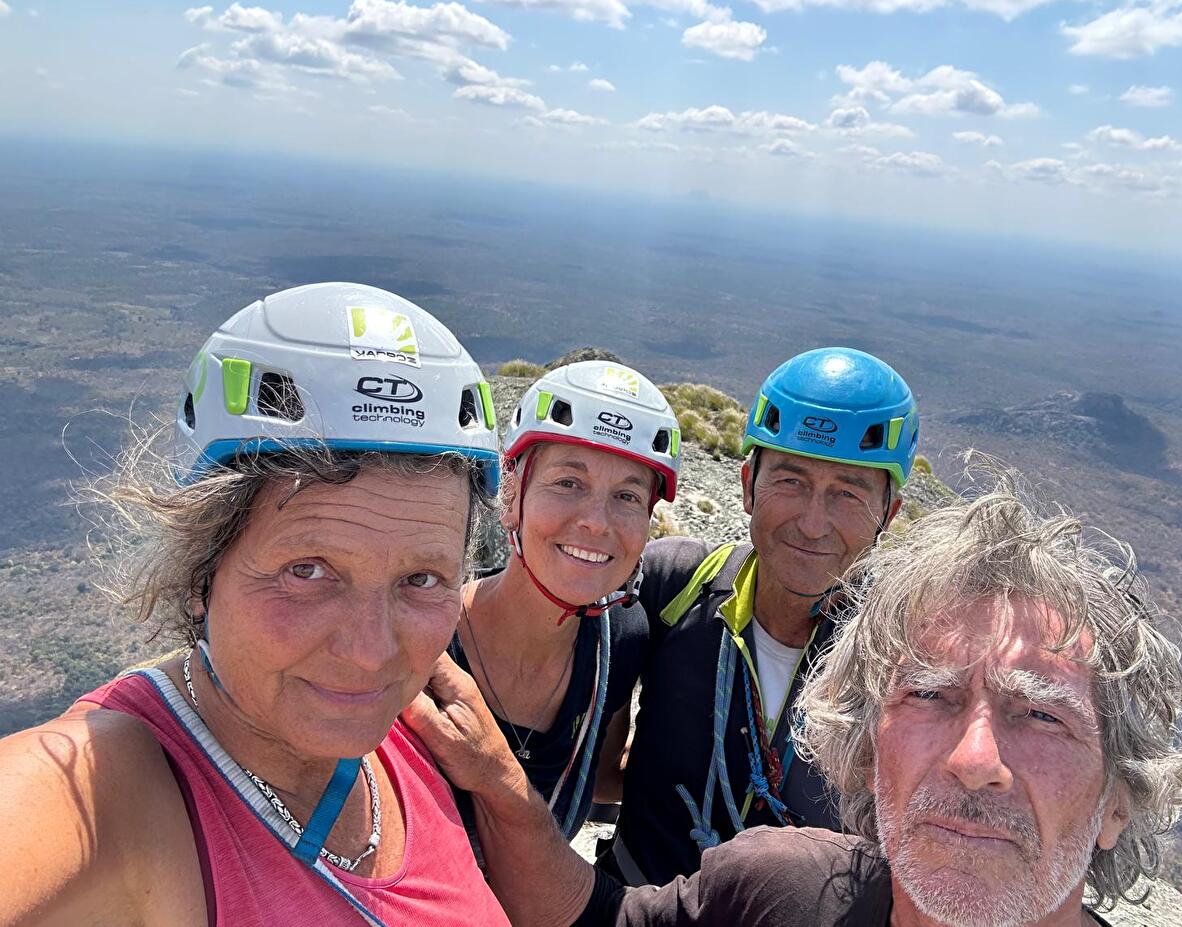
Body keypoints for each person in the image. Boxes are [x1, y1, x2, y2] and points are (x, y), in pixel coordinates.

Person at [408, 474, 1182, 927]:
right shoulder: (783, 889)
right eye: (931, 695)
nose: (977, 762)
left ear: (1120, 799)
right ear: (868, 755)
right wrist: (499, 779)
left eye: (1040, 711)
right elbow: (585, 920)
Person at [0, 282, 510, 926]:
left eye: (422, 579)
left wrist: (503, 787)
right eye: (308, 570)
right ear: (199, 571)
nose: (371, 652)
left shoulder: (421, 727)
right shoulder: (118, 789)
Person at [600, 346, 919, 885]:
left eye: (847, 492)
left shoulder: (908, 655)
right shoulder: (671, 587)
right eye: (791, 482)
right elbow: (592, 767)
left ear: (888, 514)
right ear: (748, 485)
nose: (813, 524)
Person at [450, 360, 681, 838]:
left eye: (628, 496)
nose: (597, 522)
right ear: (512, 493)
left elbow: (600, 778)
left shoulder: (621, 640)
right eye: (568, 483)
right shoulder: (421, 640)